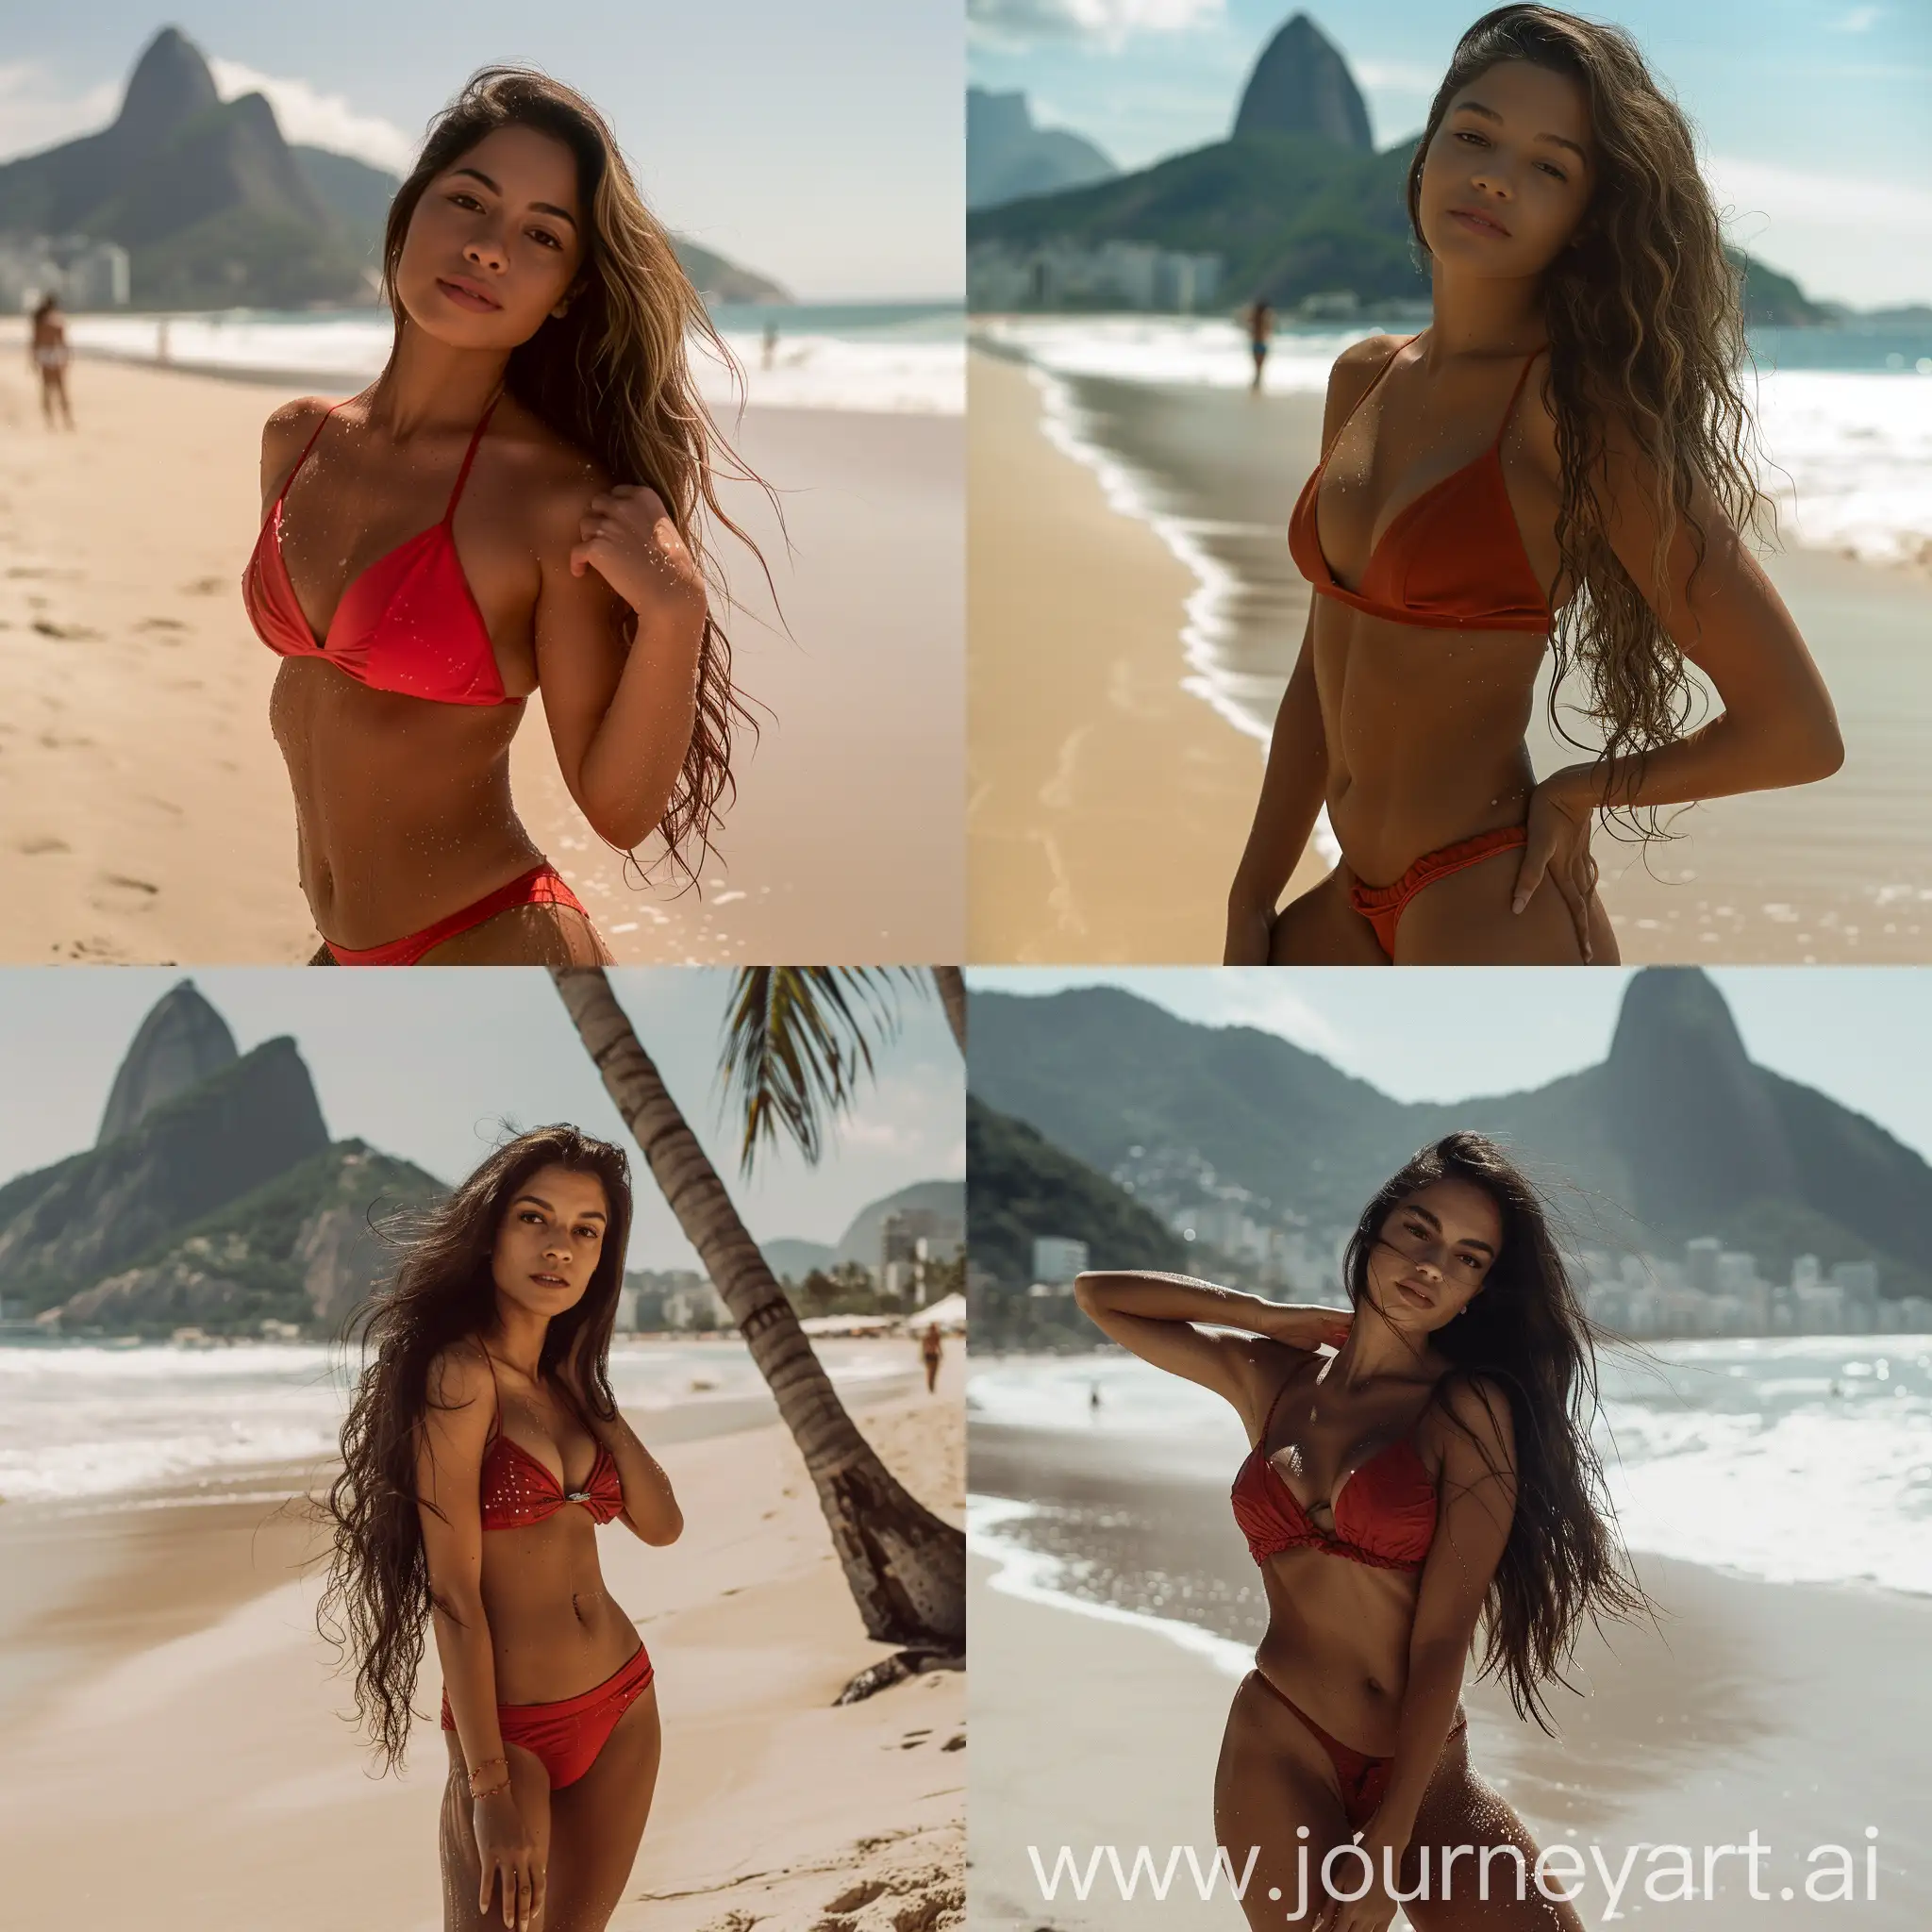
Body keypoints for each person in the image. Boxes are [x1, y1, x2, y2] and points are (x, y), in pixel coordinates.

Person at [1225, 5, 1841, 968]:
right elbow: (1320, 670)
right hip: (1346, 891)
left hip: (1484, 886)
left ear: (1582, 217)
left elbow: (1797, 731)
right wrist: (1250, 893)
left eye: (1546, 166)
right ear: (1423, 153)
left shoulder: (1574, 416)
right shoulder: (1362, 377)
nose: (1490, 175)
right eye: (1471, 135)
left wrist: (1577, 789)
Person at [242, 68, 765, 966]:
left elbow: (619, 810)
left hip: (492, 941)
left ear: (565, 290)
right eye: (468, 202)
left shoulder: (553, 505)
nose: (490, 249)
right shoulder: (295, 441)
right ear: (408, 216)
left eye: (541, 235)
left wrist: (676, 615)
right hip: (338, 955)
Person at [1074, 1132, 1646, 1930]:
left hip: (1426, 1770)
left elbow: (1444, 1636)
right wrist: (1265, 1315)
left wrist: (1390, 1838)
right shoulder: (1269, 1380)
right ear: (1375, 1229)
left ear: (1477, 1291)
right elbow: (1100, 1295)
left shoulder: (1467, 1410)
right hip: (1279, 1741)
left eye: (1468, 1258)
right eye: (1418, 1231)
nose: (1433, 1267)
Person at [321, 1125, 683, 1932]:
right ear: (490, 1235)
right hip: (511, 1733)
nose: (559, 1247)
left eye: (586, 1231)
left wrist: (596, 1396)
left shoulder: (567, 1387)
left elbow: (662, 1526)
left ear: (601, 1260)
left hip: (624, 1704)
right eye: (535, 1218)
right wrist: (485, 1789)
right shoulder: (459, 1375)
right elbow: (453, 1593)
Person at [29, 295, 74, 429]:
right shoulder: (56, 320)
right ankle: (67, 420)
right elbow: (62, 342)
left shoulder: (39, 321)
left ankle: (50, 421)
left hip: (44, 355)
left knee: (47, 389)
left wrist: (33, 359)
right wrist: (66, 357)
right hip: (55, 355)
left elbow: (35, 342)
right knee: (61, 389)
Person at [1245, 299, 1275, 393]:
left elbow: (1248, 326)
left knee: (1257, 365)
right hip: (1261, 344)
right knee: (1260, 366)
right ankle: (1257, 382)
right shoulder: (1263, 319)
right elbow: (1269, 330)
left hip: (1257, 343)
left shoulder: (1256, 319)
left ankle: (1256, 382)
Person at [921, 1321, 943, 1393]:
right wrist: (941, 1353)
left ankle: (931, 1386)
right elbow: (923, 1347)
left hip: (931, 1355)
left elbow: (938, 1346)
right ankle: (931, 1386)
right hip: (931, 1355)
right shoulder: (930, 1336)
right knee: (931, 1372)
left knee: (932, 1372)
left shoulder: (933, 1336)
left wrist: (941, 1353)